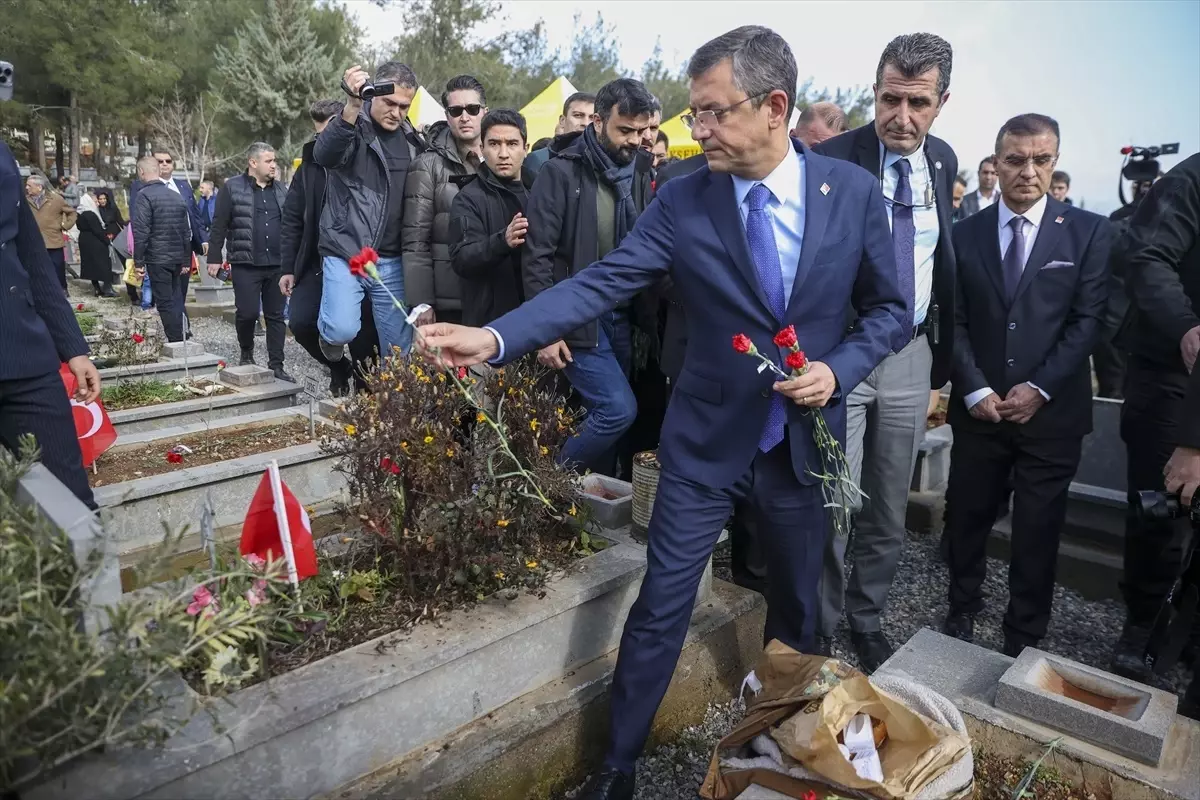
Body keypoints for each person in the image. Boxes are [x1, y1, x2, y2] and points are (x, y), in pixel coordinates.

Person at [418, 26, 904, 799]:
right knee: (661, 604)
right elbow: (602, 281)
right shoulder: (682, 198)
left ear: (774, 107)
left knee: (801, 612)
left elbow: (889, 311)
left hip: (800, 445)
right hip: (704, 442)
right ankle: (617, 766)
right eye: (693, 112)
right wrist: (497, 336)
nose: (695, 128)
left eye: (713, 112)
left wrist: (837, 371)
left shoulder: (849, 196)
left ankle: (783, 755)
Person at [813, 32, 959, 672]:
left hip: (910, 354)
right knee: (833, 495)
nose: (902, 117)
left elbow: (940, 259)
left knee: (888, 498)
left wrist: (942, 368)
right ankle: (815, 626)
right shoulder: (835, 158)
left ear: (941, 102)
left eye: (917, 103)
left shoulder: (947, 161)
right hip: (842, 349)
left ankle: (866, 618)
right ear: (874, 92)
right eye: (889, 100)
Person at [942, 114, 1112, 657]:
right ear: (996, 163)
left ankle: (1024, 634)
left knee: (1037, 528)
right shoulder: (963, 233)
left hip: (1052, 416)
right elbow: (954, 319)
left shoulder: (1087, 232)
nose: (1028, 172)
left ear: (1055, 162)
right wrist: (972, 388)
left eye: (1042, 160)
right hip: (981, 410)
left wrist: (1039, 388)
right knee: (967, 515)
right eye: (1016, 160)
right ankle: (962, 608)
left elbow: (1087, 322)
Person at [521, 77, 658, 476]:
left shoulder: (638, 171)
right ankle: (545, 483)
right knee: (617, 410)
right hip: (577, 317)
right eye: (625, 130)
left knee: (603, 417)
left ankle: (586, 507)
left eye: (642, 130)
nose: (635, 140)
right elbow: (537, 257)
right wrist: (545, 329)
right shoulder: (559, 172)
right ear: (597, 122)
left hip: (625, 318)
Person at [1109, 152, 1200, 683]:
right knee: (1162, 505)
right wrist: (1186, 327)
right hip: (1172, 366)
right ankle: (1143, 624)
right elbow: (1147, 257)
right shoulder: (1190, 181)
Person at [0, 143, 100, 509]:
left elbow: (32, 258)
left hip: (24, 355)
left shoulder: (2, 156)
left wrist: (73, 346)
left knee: (73, 506)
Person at [314, 61, 427, 361]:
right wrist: (351, 106)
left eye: (404, 106)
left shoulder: (414, 141)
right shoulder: (353, 127)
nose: (396, 112)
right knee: (341, 329)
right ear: (373, 93)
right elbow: (324, 154)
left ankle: (394, 406)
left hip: (392, 261)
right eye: (389, 102)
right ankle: (329, 334)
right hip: (347, 249)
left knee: (400, 356)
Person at [281, 100, 380, 396]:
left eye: (329, 132)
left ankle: (367, 402)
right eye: (318, 134)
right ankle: (339, 368)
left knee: (363, 339)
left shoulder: (365, 159)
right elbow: (292, 218)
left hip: (358, 260)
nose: (323, 141)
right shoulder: (310, 165)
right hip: (316, 262)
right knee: (300, 323)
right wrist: (288, 267)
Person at [402, 75, 486, 326]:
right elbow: (415, 238)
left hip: (495, 294)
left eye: (472, 109)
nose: (465, 116)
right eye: (456, 110)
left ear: (484, 111)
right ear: (447, 116)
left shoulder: (501, 160)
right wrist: (422, 301)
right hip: (448, 298)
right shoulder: (427, 165)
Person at [206, 143, 293, 381]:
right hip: (246, 263)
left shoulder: (282, 190)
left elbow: (291, 226)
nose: (274, 165)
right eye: (268, 161)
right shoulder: (232, 188)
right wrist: (214, 257)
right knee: (248, 312)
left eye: (274, 160)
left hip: (277, 265)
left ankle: (277, 365)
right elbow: (219, 224)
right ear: (253, 163)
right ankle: (246, 351)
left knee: (276, 315)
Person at [448, 109, 532, 327]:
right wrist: (502, 240)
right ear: (482, 148)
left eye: (512, 144)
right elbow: (462, 259)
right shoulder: (468, 198)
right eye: (494, 144)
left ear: (526, 148)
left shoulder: (542, 191)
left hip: (537, 315)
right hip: (490, 323)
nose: (503, 153)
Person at [132, 155, 192, 342]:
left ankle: (176, 340)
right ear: (158, 171)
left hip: (157, 257)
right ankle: (182, 334)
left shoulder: (144, 196)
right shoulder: (176, 196)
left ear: (141, 172)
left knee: (164, 301)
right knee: (175, 298)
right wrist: (185, 260)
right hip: (175, 256)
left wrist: (138, 262)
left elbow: (141, 232)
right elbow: (186, 231)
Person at [523, 91, 596, 178]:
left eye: (592, 118)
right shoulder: (539, 159)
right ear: (562, 121)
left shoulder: (605, 162)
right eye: (578, 115)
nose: (585, 123)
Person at [26, 175, 77, 292]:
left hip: (53, 240)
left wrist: (65, 226)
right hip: (33, 241)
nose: (27, 188)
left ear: (39, 187)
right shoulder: (25, 201)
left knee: (57, 267)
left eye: (29, 185)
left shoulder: (56, 199)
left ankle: (62, 290)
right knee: (36, 268)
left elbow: (72, 213)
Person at [75, 192, 117, 297]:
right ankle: (108, 289)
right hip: (94, 242)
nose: (97, 203)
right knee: (105, 264)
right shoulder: (90, 214)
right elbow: (98, 230)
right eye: (95, 201)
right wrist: (107, 241)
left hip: (85, 240)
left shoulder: (80, 213)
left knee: (91, 265)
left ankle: (97, 289)